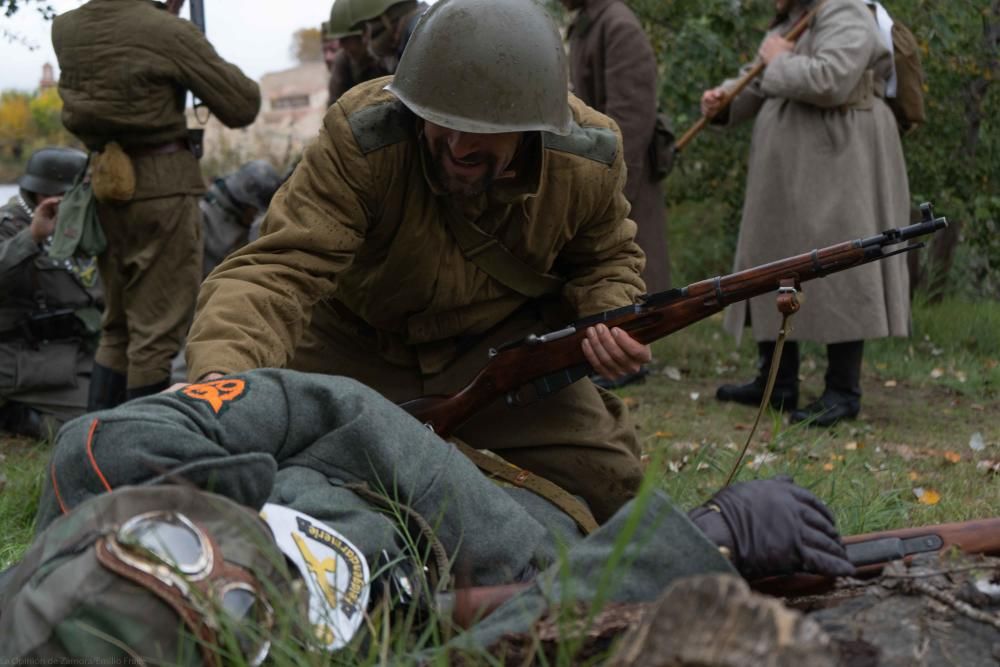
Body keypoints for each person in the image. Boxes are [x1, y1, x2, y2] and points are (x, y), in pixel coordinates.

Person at [0, 368, 853, 660]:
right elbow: (509, 644)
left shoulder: (104, 469)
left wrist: (246, 466)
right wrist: (700, 536)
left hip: (414, 436)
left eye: (171, 541)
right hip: (526, 543)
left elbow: (295, 404)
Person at [185, 0, 655, 523]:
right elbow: (276, 272)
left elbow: (607, 258)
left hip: (498, 354)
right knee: (262, 475)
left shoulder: (587, 160)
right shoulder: (364, 139)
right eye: (438, 119)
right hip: (356, 343)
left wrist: (608, 317)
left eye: (478, 129)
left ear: (532, 127)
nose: (454, 144)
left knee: (619, 493)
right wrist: (221, 383)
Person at [704, 0, 911, 426]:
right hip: (789, 169)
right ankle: (776, 381)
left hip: (840, 160)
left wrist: (777, 60)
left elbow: (832, 79)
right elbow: (763, 79)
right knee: (771, 259)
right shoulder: (798, 16)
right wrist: (727, 99)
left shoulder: (847, 10)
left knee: (842, 264)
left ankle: (842, 390)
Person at [51, 0, 261, 409]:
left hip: (103, 187)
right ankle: (139, 453)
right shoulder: (167, 31)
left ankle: (93, 440)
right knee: (156, 334)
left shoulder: (66, 27)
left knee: (116, 328)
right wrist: (186, 38)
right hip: (163, 191)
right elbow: (242, 105)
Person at [562, 0, 670, 294]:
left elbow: (628, 130)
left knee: (630, 310)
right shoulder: (589, 23)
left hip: (620, 195)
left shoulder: (619, 27)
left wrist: (604, 202)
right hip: (596, 189)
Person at [0, 147, 100, 439]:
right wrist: (32, 237)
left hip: (69, 350)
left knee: (130, 392)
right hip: (21, 357)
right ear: (47, 195)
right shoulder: (9, 226)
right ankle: (18, 418)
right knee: (97, 421)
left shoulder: (76, 225)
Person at [326, 0, 390, 106]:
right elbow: (334, 107)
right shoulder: (343, 62)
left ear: (365, 36)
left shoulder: (387, 56)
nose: (341, 45)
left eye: (345, 39)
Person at [347, 0, 429, 74]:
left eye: (366, 28)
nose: (365, 40)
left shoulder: (420, 36)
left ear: (387, 17)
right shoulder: (411, 37)